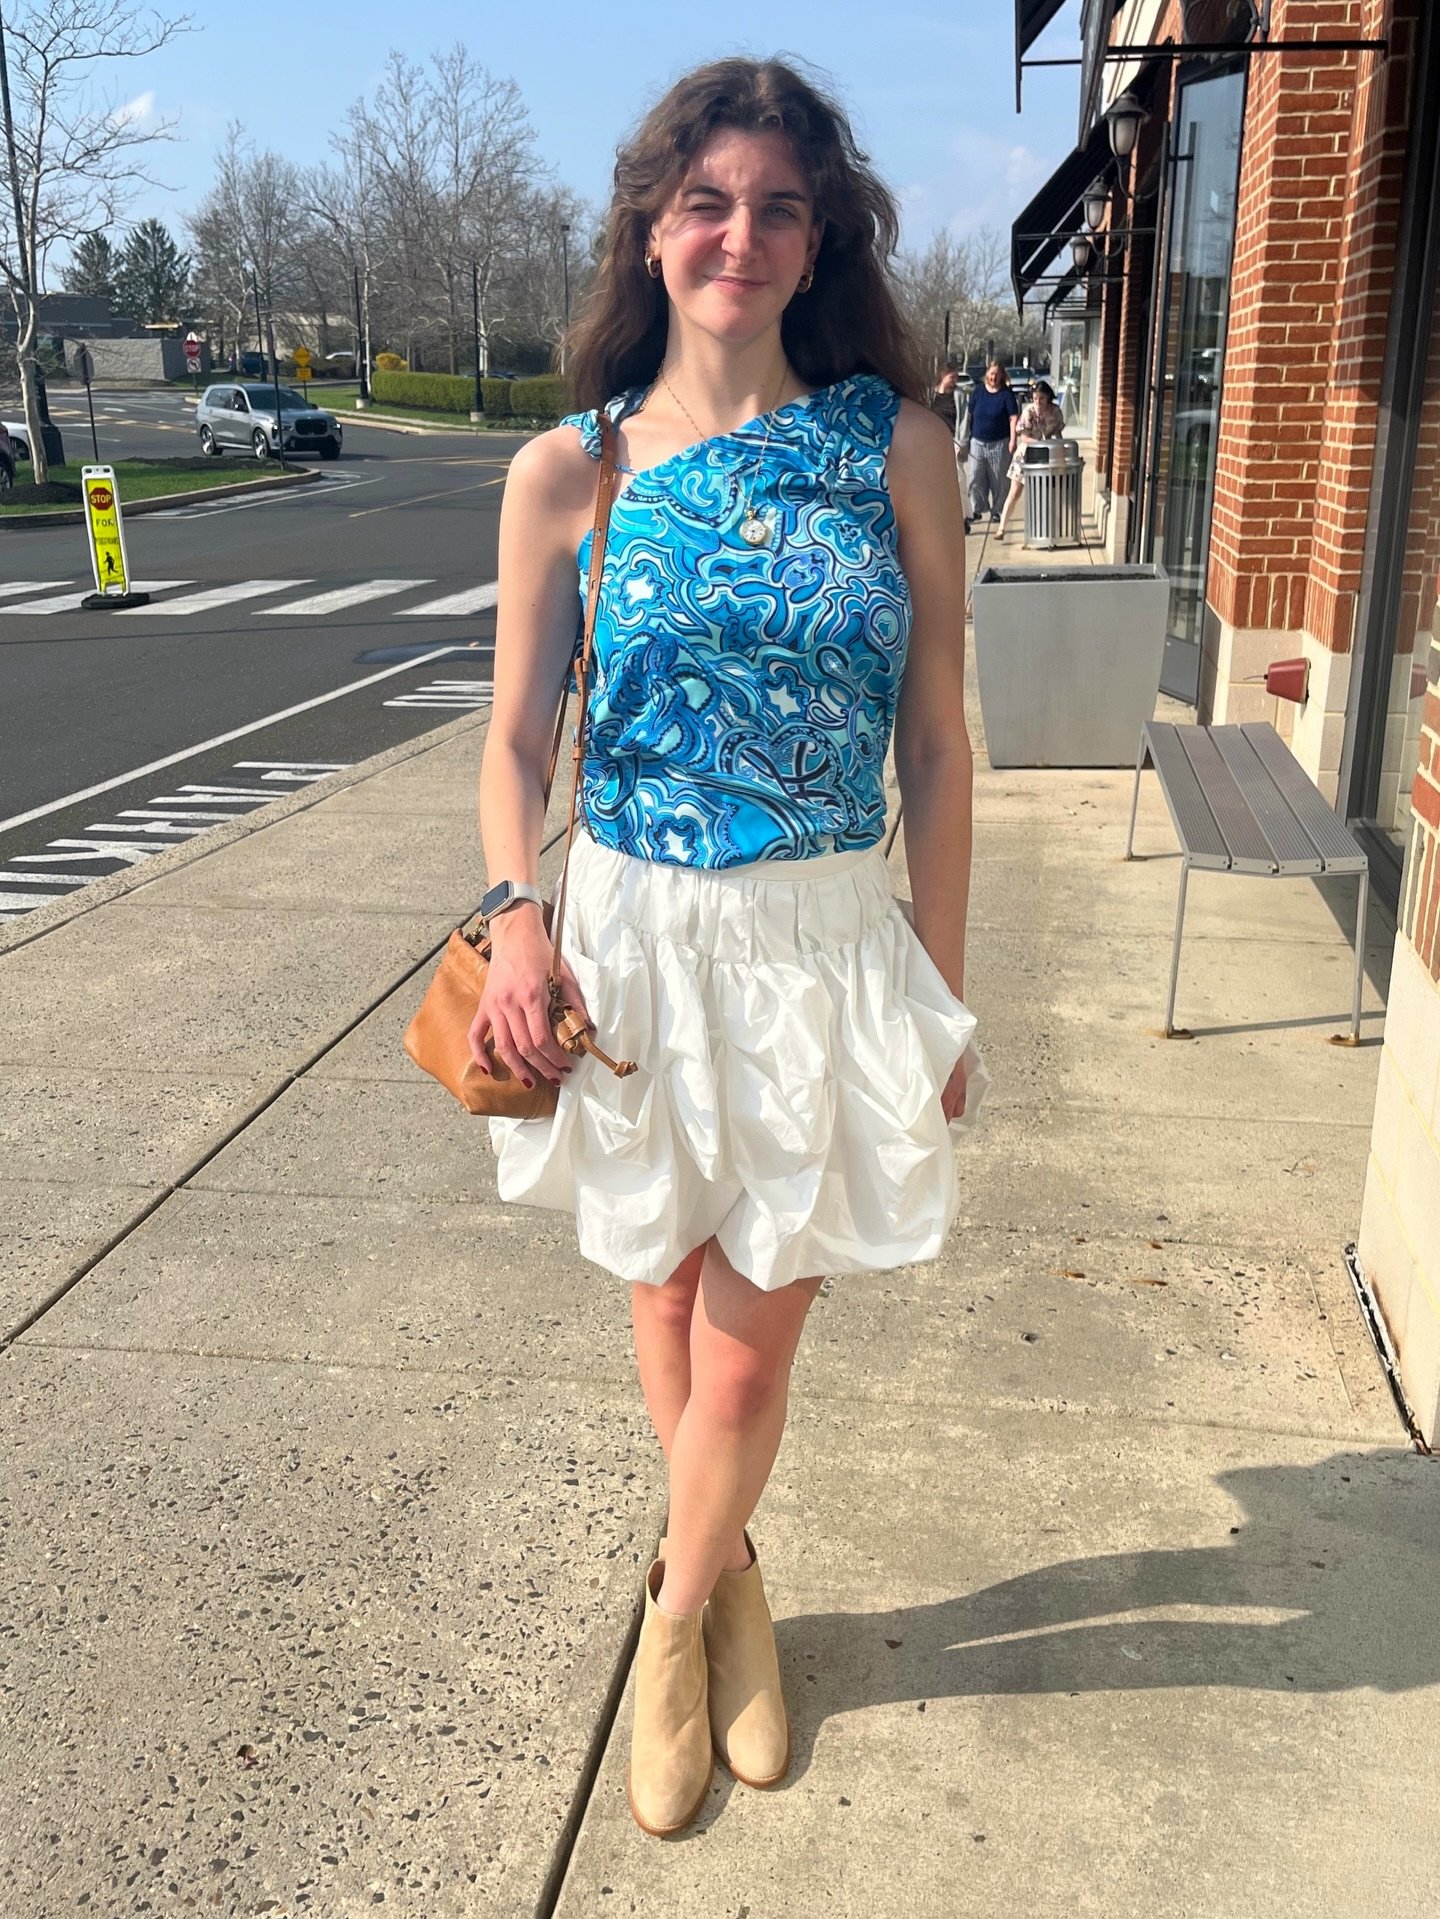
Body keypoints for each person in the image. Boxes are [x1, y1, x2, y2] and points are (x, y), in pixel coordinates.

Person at [470, 55, 987, 1840]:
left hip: (825, 941)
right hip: (631, 938)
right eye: (708, 201)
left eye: (779, 205)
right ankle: (735, 1564)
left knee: (755, 1341)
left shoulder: (895, 449)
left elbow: (936, 736)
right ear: (651, 224)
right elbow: (516, 739)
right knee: (673, 1296)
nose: (740, 236)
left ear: (822, 231)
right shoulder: (571, 468)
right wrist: (516, 912)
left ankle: (675, 1623)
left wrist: (939, 982)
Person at [996, 377, 1066, 543]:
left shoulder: (1055, 412)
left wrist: (1060, 447)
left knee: (1046, 495)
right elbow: (1024, 437)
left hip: (1047, 456)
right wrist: (1041, 443)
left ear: (1048, 397)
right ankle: (1001, 528)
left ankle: (1048, 530)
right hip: (1027, 455)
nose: (1038, 401)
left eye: (1041, 398)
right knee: (1014, 493)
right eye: (1035, 398)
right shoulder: (1029, 412)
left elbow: (1058, 433)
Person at [967, 359, 1018, 527]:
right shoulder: (978, 392)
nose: (994, 377)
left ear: (1002, 375)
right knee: (975, 476)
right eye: (991, 373)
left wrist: (1013, 439)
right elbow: (970, 415)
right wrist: (966, 437)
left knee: (999, 479)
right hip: (977, 442)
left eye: (997, 374)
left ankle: (997, 510)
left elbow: (1013, 418)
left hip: (1000, 442)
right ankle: (978, 508)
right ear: (986, 374)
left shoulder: (1006, 394)